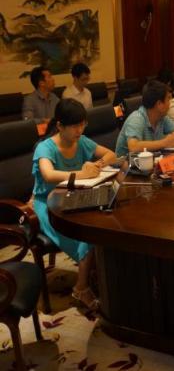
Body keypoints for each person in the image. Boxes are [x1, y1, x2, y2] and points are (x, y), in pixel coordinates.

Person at [32, 99, 117, 310]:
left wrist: (97, 165)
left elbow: (111, 154)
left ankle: (97, 276)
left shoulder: (81, 141)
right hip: (49, 205)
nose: (80, 130)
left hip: (73, 197)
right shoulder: (45, 147)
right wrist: (81, 173)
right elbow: (48, 174)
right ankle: (81, 288)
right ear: (60, 126)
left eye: (82, 124)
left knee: (104, 223)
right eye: (75, 126)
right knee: (87, 236)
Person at [115, 80, 174, 157]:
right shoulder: (136, 119)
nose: (170, 103)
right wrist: (165, 142)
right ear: (159, 104)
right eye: (168, 99)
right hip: (128, 163)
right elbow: (134, 147)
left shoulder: (162, 117)